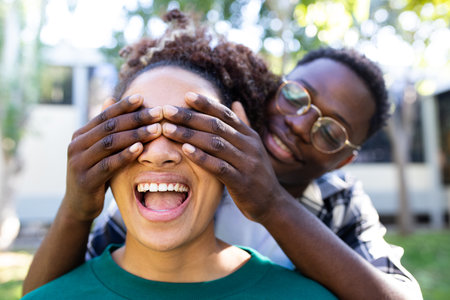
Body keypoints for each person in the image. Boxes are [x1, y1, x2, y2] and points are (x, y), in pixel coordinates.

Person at [23, 10, 422, 300]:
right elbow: (59, 290)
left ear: (342, 160)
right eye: (297, 96)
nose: (300, 124)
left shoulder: (340, 203)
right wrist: (76, 207)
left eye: (331, 132)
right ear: (273, 87)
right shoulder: (182, 178)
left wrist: (271, 203)